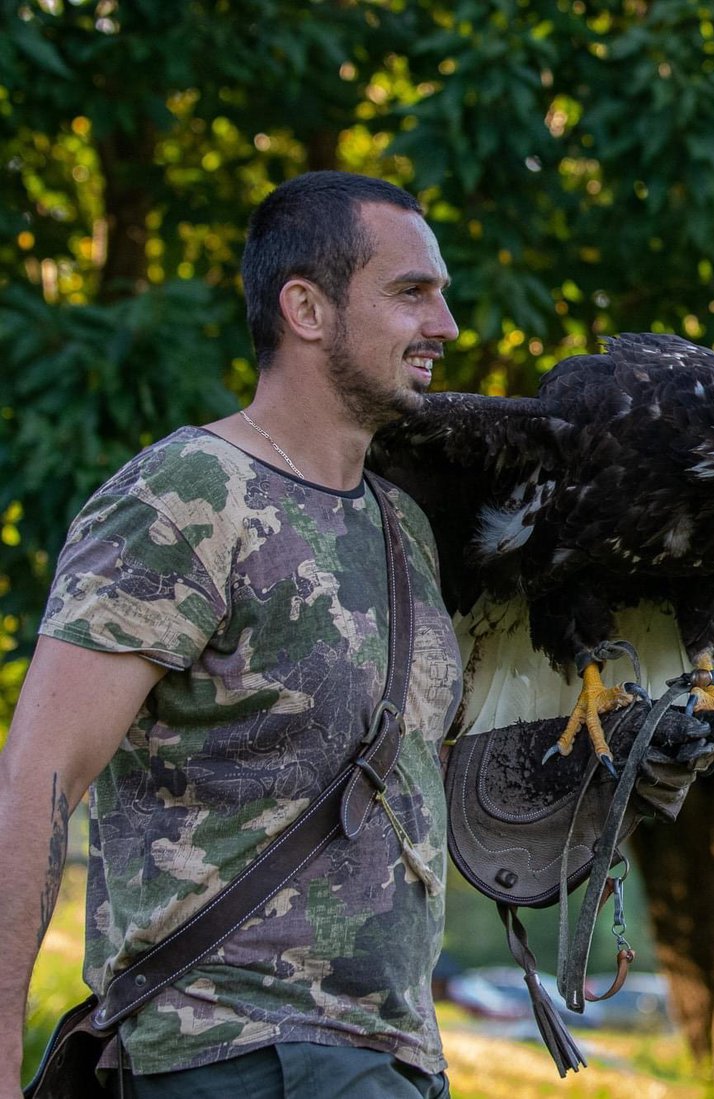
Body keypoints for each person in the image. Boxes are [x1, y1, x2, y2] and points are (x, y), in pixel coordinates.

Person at [0, 171, 464, 1098]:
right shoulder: (188, 494)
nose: (444, 325)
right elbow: (36, 777)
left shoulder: (403, 528)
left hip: (391, 1056)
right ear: (306, 308)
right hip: (234, 1050)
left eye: (441, 294)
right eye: (411, 292)